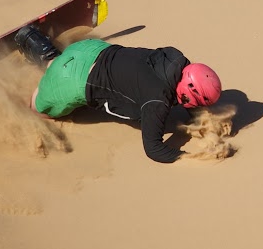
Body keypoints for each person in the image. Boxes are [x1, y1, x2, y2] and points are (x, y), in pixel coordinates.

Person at [14, 26, 222, 163]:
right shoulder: (157, 101)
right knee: (39, 110)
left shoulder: (173, 59)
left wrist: (198, 116)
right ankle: (38, 64)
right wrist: (190, 156)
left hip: (91, 49)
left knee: (64, 62)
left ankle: (34, 39)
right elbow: (154, 150)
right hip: (72, 79)